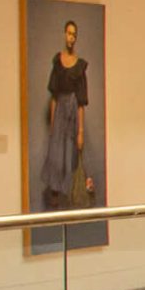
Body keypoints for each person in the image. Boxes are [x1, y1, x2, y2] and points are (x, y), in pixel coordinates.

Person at [41, 20, 92, 211]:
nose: (71, 37)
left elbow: (81, 102)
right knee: (56, 152)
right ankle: (54, 193)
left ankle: (70, 193)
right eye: (68, 33)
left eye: (74, 34)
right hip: (60, 109)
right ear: (64, 34)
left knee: (70, 153)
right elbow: (54, 96)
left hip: (72, 112)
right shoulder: (57, 62)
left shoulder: (80, 66)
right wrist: (54, 123)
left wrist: (80, 130)